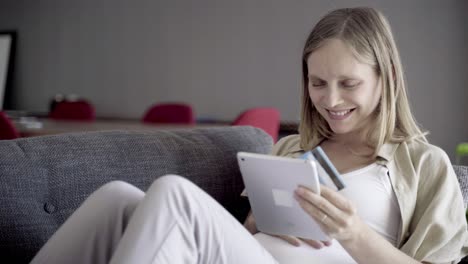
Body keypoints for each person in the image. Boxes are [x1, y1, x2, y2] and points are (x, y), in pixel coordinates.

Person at [31, 7, 468, 264]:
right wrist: (255, 222)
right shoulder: (291, 149)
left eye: (348, 83)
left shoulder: (424, 163)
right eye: (317, 83)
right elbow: (252, 237)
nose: (330, 100)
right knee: (116, 198)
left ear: (386, 77)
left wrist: (354, 233)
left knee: (173, 193)